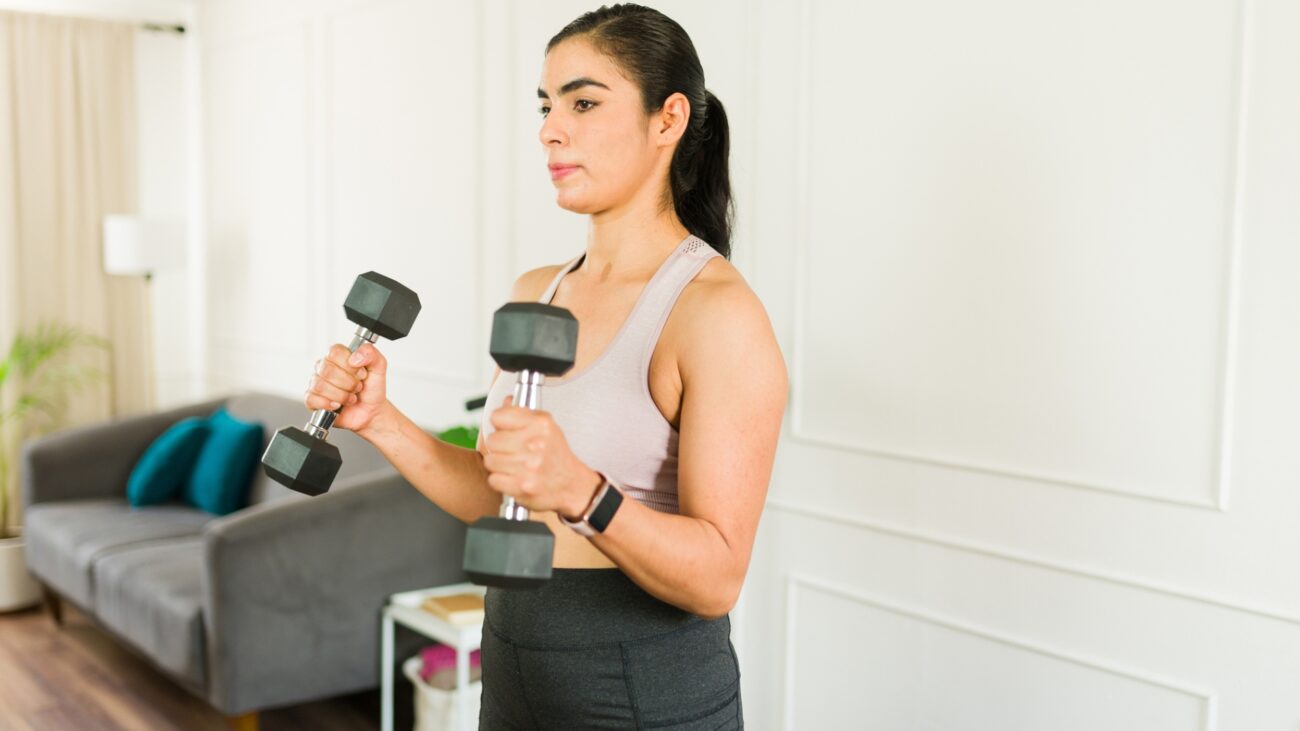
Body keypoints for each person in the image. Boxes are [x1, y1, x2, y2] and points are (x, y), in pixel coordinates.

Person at [304, 4, 787, 728]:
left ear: (669, 119)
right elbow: (503, 496)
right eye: (546, 105)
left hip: (639, 685)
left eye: (584, 102)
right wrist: (383, 423)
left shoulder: (715, 311)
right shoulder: (539, 290)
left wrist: (584, 492)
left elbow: (717, 577)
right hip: (513, 662)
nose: (550, 129)